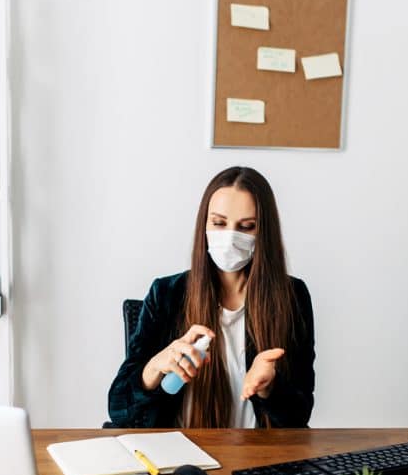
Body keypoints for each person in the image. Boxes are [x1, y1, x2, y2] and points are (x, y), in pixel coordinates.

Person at [108, 166, 314, 428]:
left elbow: (299, 417)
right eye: (218, 223)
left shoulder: (292, 297)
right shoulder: (166, 294)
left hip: (255, 458)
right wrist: (154, 369)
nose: (229, 238)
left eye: (247, 226)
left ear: (263, 232)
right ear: (204, 224)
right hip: (181, 457)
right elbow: (119, 410)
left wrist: (269, 388)